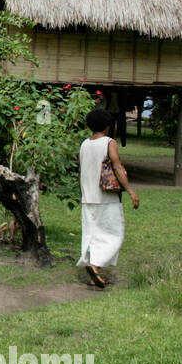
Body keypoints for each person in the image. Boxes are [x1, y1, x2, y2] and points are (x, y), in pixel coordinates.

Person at [77, 107, 139, 288]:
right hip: (106, 197)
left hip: (87, 197)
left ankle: (93, 273)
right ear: (107, 125)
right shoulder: (109, 142)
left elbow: (80, 171)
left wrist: (83, 194)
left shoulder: (84, 144)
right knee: (114, 234)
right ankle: (95, 266)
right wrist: (130, 191)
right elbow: (118, 168)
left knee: (92, 234)